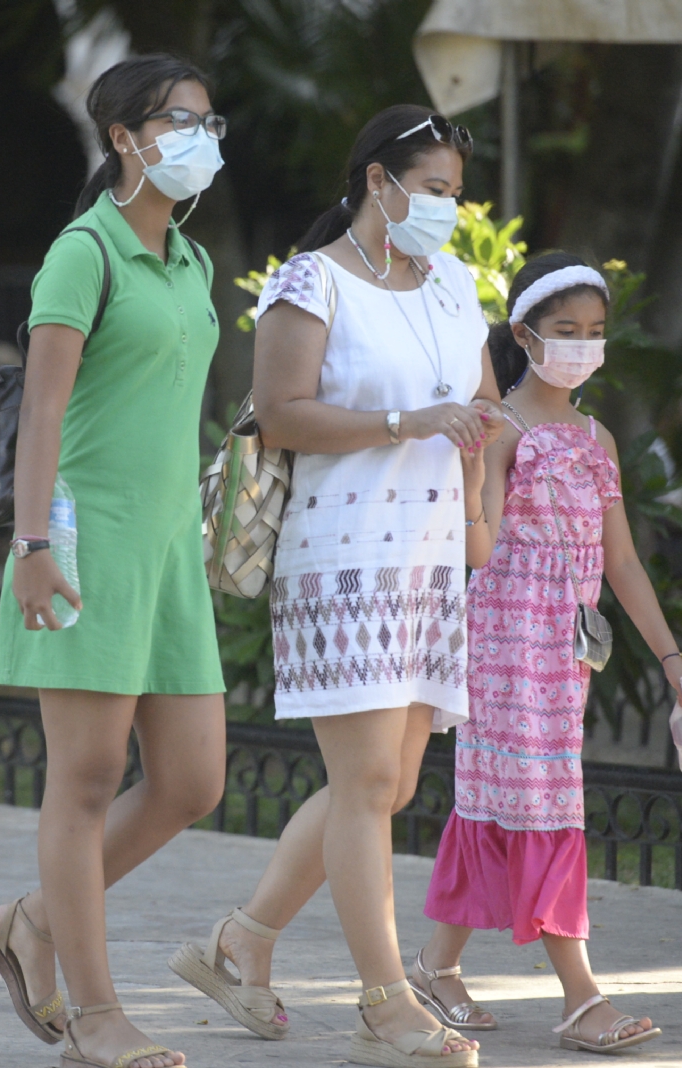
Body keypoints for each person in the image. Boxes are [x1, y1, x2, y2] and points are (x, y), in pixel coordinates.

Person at [172, 104, 501, 1068]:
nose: (446, 207)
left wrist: (478, 501)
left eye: (455, 192)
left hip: (430, 560)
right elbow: (279, 415)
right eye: (432, 189)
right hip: (341, 559)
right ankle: (386, 1002)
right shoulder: (310, 282)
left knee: (387, 784)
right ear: (377, 182)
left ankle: (244, 941)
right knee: (364, 782)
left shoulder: (453, 284)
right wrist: (404, 422)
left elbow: (480, 405)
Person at [0, 55, 232, 1068]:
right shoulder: (83, 252)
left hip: (170, 551)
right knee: (81, 783)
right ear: (125, 138)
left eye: (210, 122)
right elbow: (38, 406)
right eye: (181, 120)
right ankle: (94, 1018)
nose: (202, 138)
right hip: (79, 539)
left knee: (192, 781)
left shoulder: (195, 263)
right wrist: (30, 545)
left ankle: (33, 920)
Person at [412, 253, 682, 1055]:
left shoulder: (597, 436)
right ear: (523, 334)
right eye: (565, 331)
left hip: (565, 653)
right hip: (506, 640)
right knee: (542, 804)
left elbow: (623, 563)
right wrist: (476, 463)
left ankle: (435, 968)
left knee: (505, 802)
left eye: (595, 333)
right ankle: (581, 999)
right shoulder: (501, 427)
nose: (582, 345)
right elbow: (483, 544)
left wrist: (674, 663)